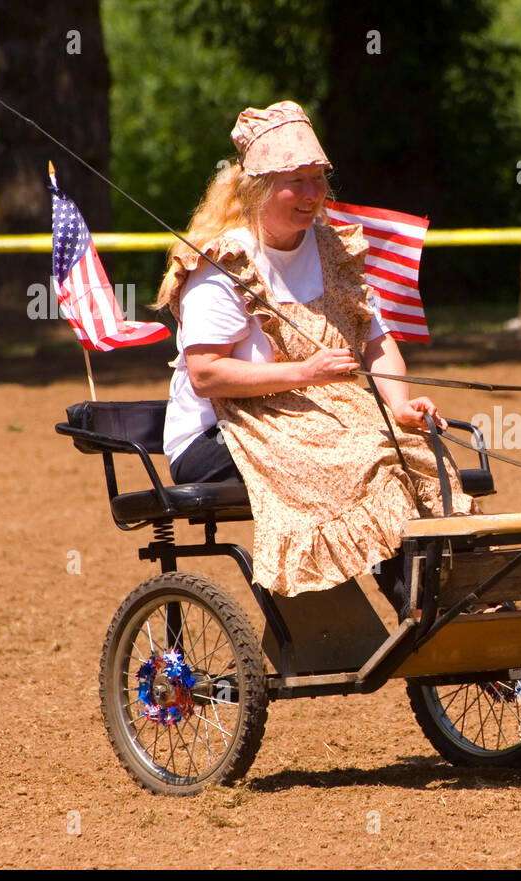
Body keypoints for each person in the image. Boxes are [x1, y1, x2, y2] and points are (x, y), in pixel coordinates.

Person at [153, 100, 472, 615]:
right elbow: (206, 374)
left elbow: (376, 342)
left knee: (418, 452)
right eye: (294, 181)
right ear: (258, 187)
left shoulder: (332, 249)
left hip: (324, 419)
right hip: (220, 434)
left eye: (317, 179)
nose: (311, 194)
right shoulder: (224, 263)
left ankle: (462, 600)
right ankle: (424, 612)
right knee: (369, 462)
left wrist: (399, 406)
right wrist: (304, 372)